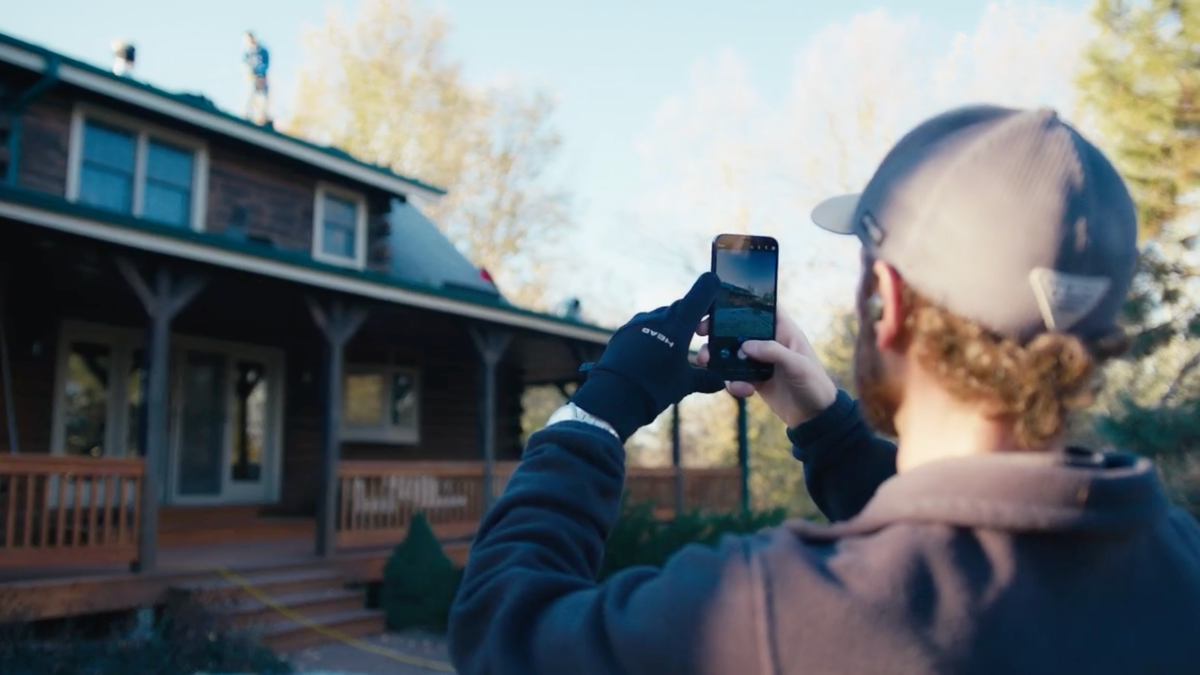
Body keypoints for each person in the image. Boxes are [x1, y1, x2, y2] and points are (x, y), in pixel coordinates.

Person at [447, 105, 1200, 674]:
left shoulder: (770, 610)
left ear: (887, 300)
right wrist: (829, 427)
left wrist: (600, 408)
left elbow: (498, 631)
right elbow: (969, 536)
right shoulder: (1182, 558)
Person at [242, 31, 270, 125]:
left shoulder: (261, 50)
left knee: (264, 97)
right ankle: (248, 115)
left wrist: (261, 75)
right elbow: (244, 64)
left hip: (261, 77)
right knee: (249, 94)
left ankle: (263, 117)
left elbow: (265, 63)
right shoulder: (247, 51)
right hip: (252, 77)